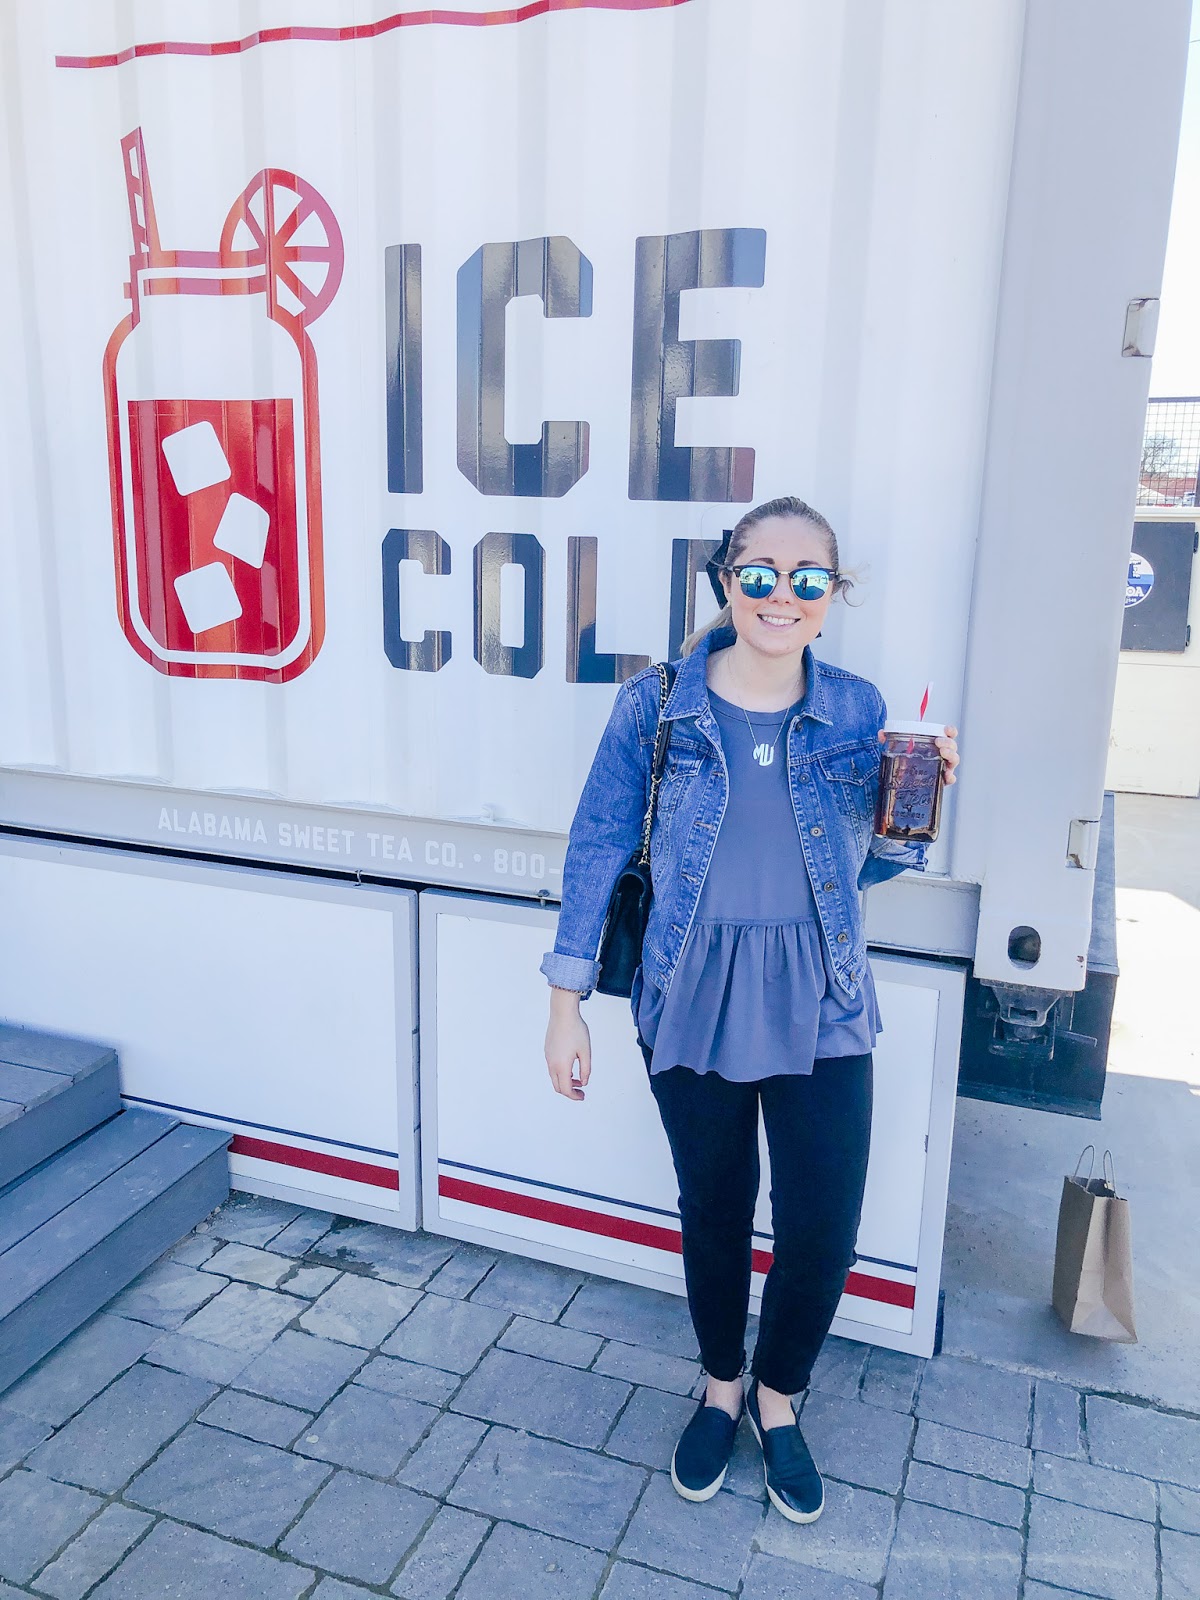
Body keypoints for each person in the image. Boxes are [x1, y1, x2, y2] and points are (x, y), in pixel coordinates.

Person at [540, 496, 960, 1524]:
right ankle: (721, 1387)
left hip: (822, 992)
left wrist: (920, 803)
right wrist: (566, 1001)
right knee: (715, 1210)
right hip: (690, 990)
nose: (782, 595)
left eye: (807, 579)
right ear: (727, 581)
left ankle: (779, 1397)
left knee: (823, 1224)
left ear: (832, 594)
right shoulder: (657, 705)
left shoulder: (857, 710)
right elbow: (599, 840)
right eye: (760, 574)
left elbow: (864, 867)